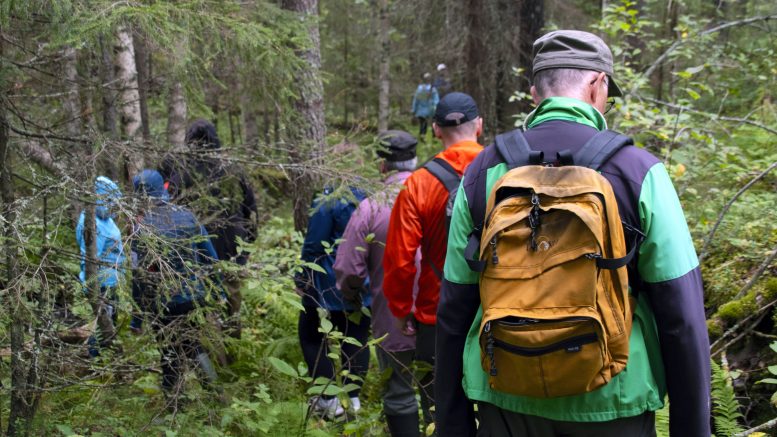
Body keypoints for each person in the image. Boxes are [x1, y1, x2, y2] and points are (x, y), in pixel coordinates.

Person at [436, 30, 710, 436]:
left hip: (506, 398)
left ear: (534, 94)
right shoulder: (639, 171)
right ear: (598, 84)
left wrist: (452, 424)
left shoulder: (483, 171)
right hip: (614, 398)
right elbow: (682, 316)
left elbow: (454, 306)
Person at [383, 92, 484, 429]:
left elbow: (400, 259)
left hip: (436, 314)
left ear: (437, 131)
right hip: (500, 309)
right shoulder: (506, 172)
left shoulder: (419, 184)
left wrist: (400, 310)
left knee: (440, 414)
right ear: (479, 126)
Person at [334, 130, 421, 436]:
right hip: (442, 316)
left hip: (392, 318)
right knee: (442, 392)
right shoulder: (443, 197)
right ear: (416, 161)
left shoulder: (370, 207)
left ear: (382, 166)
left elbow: (348, 268)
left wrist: (353, 298)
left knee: (399, 393)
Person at [129, 169, 223, 408]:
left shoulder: (141, 230)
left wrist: (137, 320)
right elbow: (210, 257)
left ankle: (175, 408)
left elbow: (138, 278)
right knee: (194, 345)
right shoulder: (188, 216)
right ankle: (215, 398)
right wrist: (219, 292)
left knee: (169, 353)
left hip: (163, 302)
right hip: (194, 296)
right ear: (163, 189)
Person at [160, 119, 257, 339]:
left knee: (202, 309)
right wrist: (247, 247)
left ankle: (211, 364)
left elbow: (168, 213)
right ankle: (232, 360)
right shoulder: (233, 169)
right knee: (231, 306)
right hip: (232, 251)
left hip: (195, 255)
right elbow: (251, 211)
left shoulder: (178, 172)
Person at [294, 172, 370, 420]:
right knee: (355, 338)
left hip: (326, 284)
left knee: (311, 337)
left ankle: (330, 401)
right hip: (362, 283)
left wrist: (303, 277)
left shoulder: (328, 201)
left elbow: (314, 245)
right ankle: (354, 401)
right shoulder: (373, 199)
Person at [76, 176, 125, 357]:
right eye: (110, 200)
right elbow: (89, 258)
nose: (114, 205)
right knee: (103, 325)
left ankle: (105, 357)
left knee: (110, 322)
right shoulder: (91, 222)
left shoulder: (106, 220)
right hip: (103, 284)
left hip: (113, 282)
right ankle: (95, 359)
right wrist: (91, 285)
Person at [411, 73, 440, 138]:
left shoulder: (419, 89)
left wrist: (414, 110)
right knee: (433, 123)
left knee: (423, 124)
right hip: (431, 110)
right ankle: (434, 136)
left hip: (421, 111)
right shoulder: (433, 89)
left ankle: (422, 136)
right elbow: (436, 100)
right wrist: (436, 107)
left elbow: (416, 100)